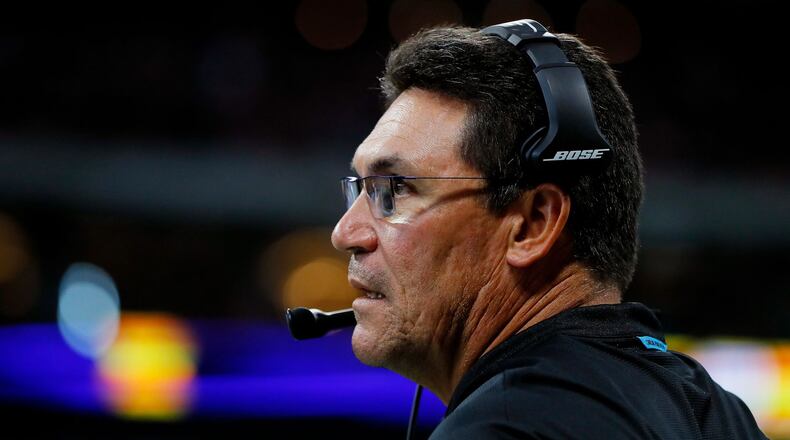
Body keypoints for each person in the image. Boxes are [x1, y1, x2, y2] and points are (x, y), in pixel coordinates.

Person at [330, 20, 767, 439]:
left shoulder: (505, 426)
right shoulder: (720, 413)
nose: (345, 233)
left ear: (533, 225)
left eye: (396, 189)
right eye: (360, 189)